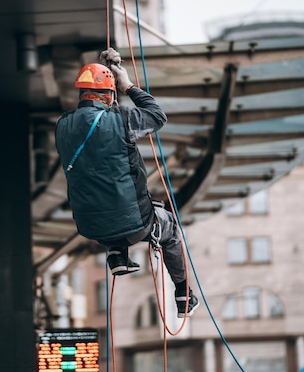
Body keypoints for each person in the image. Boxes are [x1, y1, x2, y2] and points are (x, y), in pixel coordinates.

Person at [54, 48, 200, 318]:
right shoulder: (120, 118)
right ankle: (184, 294)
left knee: (104, 191)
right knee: (168, 226)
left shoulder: (62, 125)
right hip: (134, 222)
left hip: (90, 225)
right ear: (110, 94)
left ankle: (117, 256)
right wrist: (129, 86)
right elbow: (157, 117)